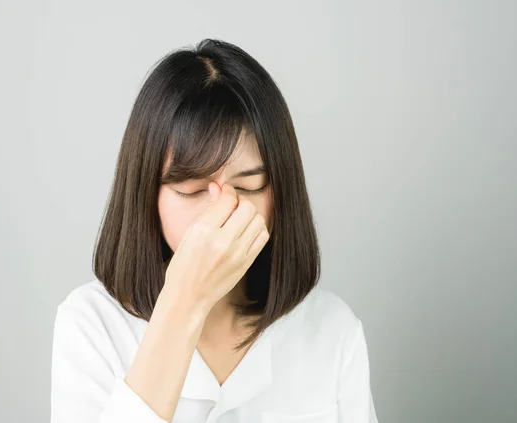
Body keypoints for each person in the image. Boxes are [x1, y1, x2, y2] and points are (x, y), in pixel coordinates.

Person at [50, 38, 379, 423]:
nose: (222, 210)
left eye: (249, 185)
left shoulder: (331, 330)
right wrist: (184, 300)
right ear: (146, 193)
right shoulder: (91, 324)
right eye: (190, 189)